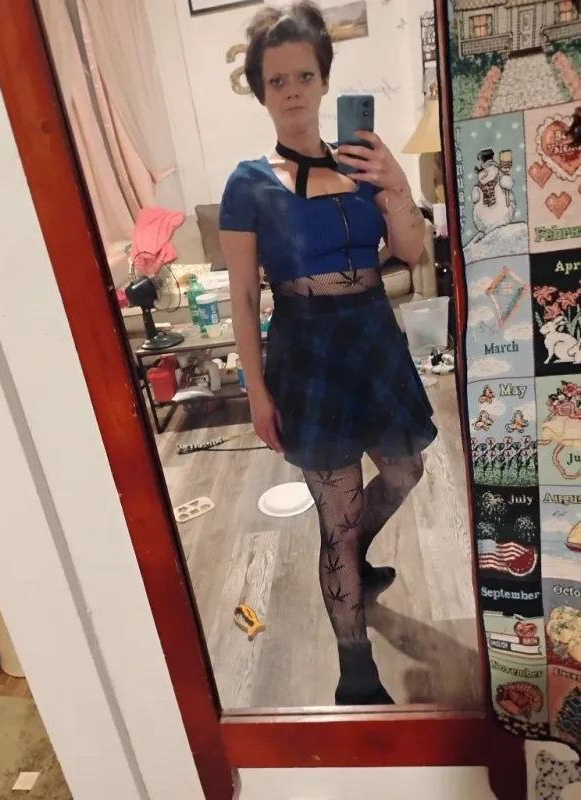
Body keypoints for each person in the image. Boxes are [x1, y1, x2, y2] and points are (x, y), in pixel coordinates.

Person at [219, 0, 437, 706]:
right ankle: (355, 669)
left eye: (303, 76)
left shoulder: (363, 162)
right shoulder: (247, 183)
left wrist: (396, 183)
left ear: (323, 81)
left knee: (405, 468)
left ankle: (353, 551)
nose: (292, 91)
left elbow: (411, 251)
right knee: (336, 515)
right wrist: (256, 391)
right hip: (307, 349)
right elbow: (244, 296)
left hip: (372, 336)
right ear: (261, 92)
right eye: (276, 80)